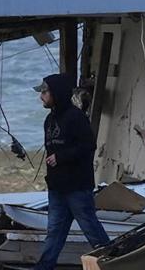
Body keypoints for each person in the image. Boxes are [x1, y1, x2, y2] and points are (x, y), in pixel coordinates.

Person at [31, 73, 110, 270]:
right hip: (57, 187)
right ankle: (44, 267)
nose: (41, 96)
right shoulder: (49, 120)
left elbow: (88, 145)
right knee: (54, 232)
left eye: (45, 92)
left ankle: (112, 261)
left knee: (91, 229)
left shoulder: (76, 117)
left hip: (77, 186)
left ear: (56, 93)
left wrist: (61, 157)